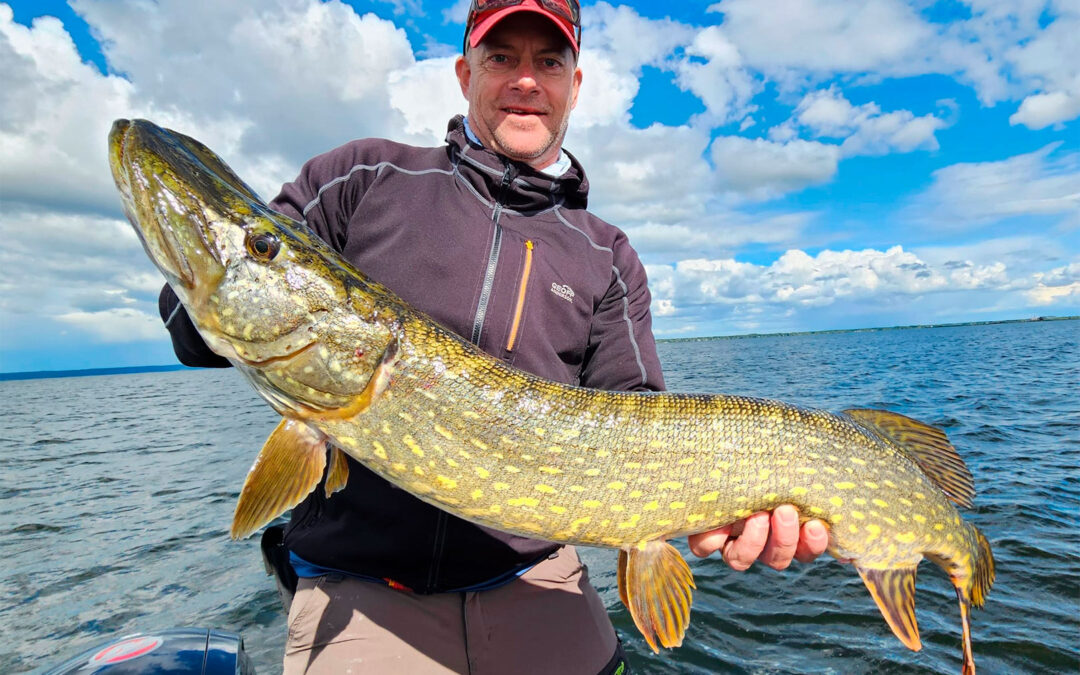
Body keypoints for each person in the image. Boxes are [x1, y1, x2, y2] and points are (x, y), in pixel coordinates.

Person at [158, 1, 829, 672]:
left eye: (549, 61)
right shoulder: (361, 178)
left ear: (575, 84)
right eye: (501, 57)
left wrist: (733, 505)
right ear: (464, 72)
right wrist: (205, 280)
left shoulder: (607, 253)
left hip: (540, 580)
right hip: (366, 593)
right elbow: (196, 335)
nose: (526, 81)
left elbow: (640, 419)